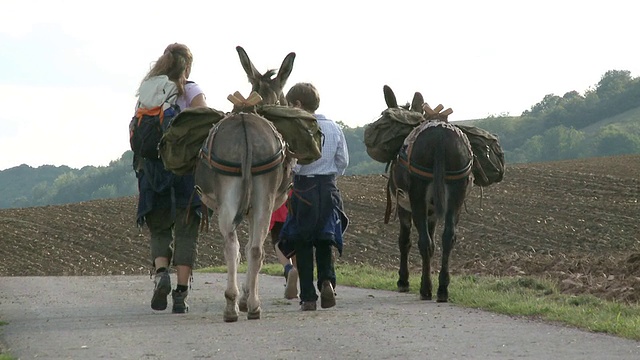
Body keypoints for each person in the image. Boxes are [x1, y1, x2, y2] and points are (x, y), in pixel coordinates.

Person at [134, 43, 208, 314]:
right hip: (185, 172)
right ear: (186, 66)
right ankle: (180, 294)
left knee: (159, 229)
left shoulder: (149, 89)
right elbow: (205, 120)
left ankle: (161, 273)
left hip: (152, 172)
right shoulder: (190, 89)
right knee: (186, 231)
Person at [278, 82, 349, 311]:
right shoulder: (334, 127)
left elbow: (294, 166)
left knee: (303, 242)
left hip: (304, 189)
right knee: (325, 239)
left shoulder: (297, 128)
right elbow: (343, 162)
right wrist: (328, 174)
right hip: (329, 188)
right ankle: (327, 281)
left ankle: (308, 297)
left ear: (298, 104)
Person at [269, 194, 298, 300]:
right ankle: (294, 283)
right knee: (296, 245)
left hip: (279, 206)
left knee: (278, 243)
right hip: (295, 203)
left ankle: (288, 268)